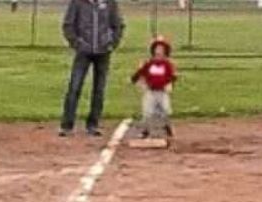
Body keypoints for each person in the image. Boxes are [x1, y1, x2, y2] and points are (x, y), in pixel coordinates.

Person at [59, 0, 124, 137]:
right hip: (83, 52)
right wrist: (77, 43)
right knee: (74, 87)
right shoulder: (78, 2)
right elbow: (68, 25)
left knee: (99, 90)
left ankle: (93, 124)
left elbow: (118, 25)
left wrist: (112, 43)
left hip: (103, 52)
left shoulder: (109, 3)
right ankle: (67, 125)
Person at [130, 36, 177, 139]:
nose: (159, 51)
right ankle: (145, 131)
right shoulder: (148, 63)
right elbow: (139, 73)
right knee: (147, 112)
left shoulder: (167, 64)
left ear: (165, 52)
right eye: (157, 48)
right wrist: (134, 79)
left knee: (166, 111)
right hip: (150, 91)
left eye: (161, 49)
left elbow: (172, 76)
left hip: (162, 92)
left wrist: (170, 84)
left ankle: (167, 126)